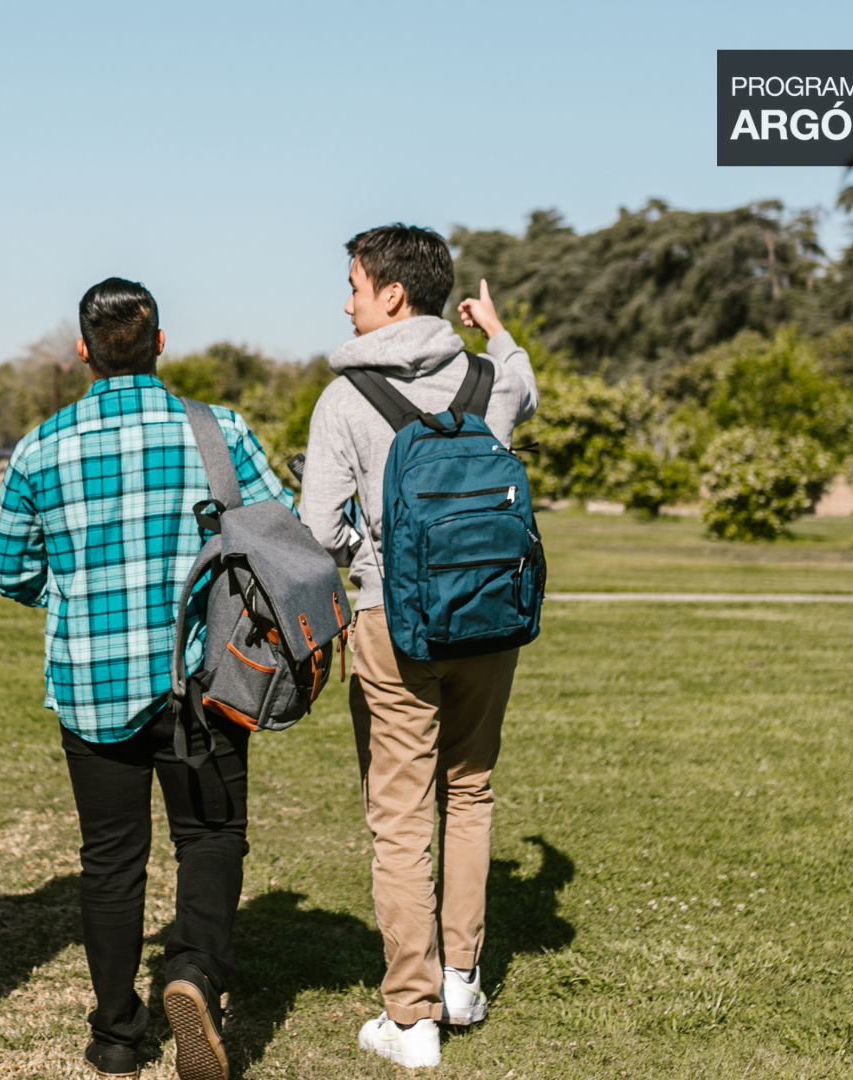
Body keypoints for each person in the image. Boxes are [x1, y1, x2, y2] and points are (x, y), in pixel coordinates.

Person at [0, 278, 292, 1080]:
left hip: (93, 685)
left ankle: (117, 1035)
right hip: (207, 680)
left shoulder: (40, 446)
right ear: (161, 341)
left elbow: (6, 569)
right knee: (211, 837)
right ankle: (192, 975)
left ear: (82, 350)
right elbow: (280, 534)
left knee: (111, 860)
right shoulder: (219, 432)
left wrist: (72, 595)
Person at [298, 225, 538, 1069]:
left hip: (392, 626)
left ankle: (411, 1017)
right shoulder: (486, 378)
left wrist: (375, 551)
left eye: (356, 285)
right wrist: (496, 329)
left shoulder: (345, 399)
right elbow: (526, 390)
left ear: (391, 293)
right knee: (469, 792)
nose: (347, 300)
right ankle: (463, 978)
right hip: (489, 618)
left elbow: (320, 530)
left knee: (399, 818)